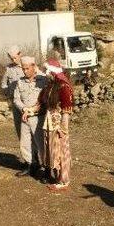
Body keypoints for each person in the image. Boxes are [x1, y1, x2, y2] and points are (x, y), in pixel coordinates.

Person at [38, 58, 74, 191]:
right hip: (49, 124)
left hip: (58, 124)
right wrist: (29, 110)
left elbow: (66, 109)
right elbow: (41, 102)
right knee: (53, 151)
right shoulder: (51, 85)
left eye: (46, 70)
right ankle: (58, 177)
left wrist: (63, 128)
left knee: (61, 151)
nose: (45, 72)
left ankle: (64, 180)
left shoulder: (64, 86)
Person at [13, 56, 47, 177]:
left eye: (27, 68)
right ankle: (30, 164)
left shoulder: (43, 80)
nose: (25, 71)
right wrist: (24, 108)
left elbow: (45, 100)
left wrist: (33, 109)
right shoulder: (20, 81)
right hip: (25, 116)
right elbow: (16, 99)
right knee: (25, 142)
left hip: (38, 117)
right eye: (23, 69)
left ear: (33, 66)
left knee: (40, 143)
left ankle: (45, 167)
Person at [0, 45, 24, 138]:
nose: (14, 60)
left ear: (20, 54)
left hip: (28, 102)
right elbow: (3, 84)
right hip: (15, 102)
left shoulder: (28, 65)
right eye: (11, 58)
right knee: (20, 130)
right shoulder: (9, 69)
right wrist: (8, 92)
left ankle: (35, 152)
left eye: (15, 57)